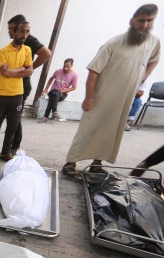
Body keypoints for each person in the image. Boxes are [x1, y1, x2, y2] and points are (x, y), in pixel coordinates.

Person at [62, 4, 160, 177]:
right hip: (102, 95)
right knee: (89, 128)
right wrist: (88, 98)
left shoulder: (154, 42)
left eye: (149, 21)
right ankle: (71, 161)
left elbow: (155, 59)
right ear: (132, 21)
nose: (145, 25)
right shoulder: (114, 43)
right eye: (141, 21)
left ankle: (97, 163)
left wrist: (144, 76)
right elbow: (93, 71)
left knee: (111, 131)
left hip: (125, 99)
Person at [0, 14, 51, 152]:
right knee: (0, 120)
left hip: (20, 86)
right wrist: (22, 70)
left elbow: (46, 53)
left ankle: (14, 147)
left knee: (14, 120)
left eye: (11, 29)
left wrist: (29, 68)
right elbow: (4, 71)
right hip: (7, 87)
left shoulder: (29, 39)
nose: (9, 31)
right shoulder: (6, 49)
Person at [0, 22, 33, 162]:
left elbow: (30, 70)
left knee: (12, 126)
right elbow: (4, 73)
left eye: (27, 32)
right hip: (2, 94)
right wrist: (20, 70)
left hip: (18, 94)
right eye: (22, 31)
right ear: (15, 32)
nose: (24, 35)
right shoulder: (3, 51)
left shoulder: (27, 50)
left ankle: (5, 152)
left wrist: (11, 70)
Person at [39, 58, 78, 122]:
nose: (65, 68)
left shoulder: (74, 75)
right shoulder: (58, 71)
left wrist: (62, 91)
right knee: (55, 92)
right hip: (52, 92)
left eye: (67, 66)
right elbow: (51, 79)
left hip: (63, 94)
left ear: (72, 66)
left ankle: (45, 117)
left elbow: (74, 87)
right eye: (64, 66)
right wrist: (46, 89)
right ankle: (54, 112)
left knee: (53, 98)